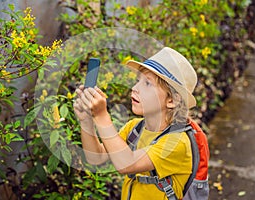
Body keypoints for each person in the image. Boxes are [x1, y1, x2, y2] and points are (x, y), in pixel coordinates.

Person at [73, 47, 198, 199]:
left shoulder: (177, 142)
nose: (134, 88)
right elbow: (96, 158)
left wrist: (101, 116)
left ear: (172, 100)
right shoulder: (135, 128)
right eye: (138, 81)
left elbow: (127, 164)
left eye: (147, 84)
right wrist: (86, 121)